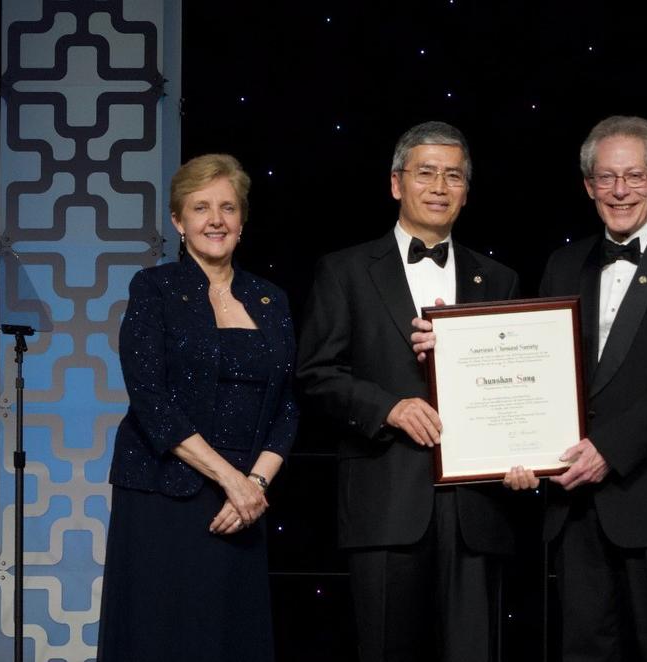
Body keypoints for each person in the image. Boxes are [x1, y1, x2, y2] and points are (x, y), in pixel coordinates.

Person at [507, 116, 647, 661]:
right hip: (574, 500)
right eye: (606, 178)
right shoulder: (562, 265)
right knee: (583, 649)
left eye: (634, 175)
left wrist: (609, 449)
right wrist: (520, 446)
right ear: (588, 186)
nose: (620, 190)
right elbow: (536, 368)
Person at [296, 121, 519, 662]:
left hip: (476, 509)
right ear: (397, 183)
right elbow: (314, 374)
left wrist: (524, 451)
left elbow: (517, 380)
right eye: (426, 173)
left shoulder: (501, 279)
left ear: (467, 190)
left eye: (453, 176)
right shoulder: (345, 270)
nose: (440, 187)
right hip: (385, 501)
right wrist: (388, 407)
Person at [97, 154, 298, 661]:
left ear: (242, 221)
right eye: (200, 207)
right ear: (178, 221)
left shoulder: (270, 299)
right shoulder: (155, 288)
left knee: (229, 638)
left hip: (242, 506)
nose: (215, 220)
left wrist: (253, 486)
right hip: (165, 491)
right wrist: (230, 478)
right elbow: (149, 397)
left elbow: (288, 405)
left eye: (228, 208)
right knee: (160, 637)